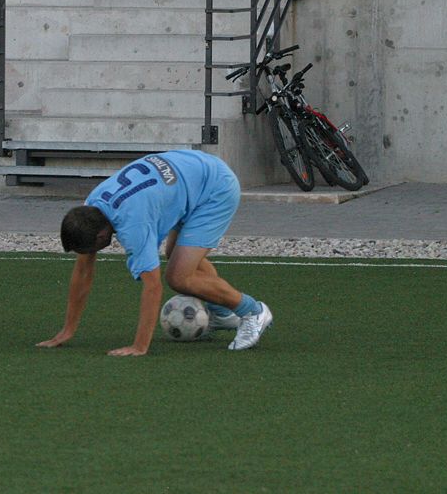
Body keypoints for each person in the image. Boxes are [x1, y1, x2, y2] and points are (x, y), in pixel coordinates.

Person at [38, 149, 272, 357]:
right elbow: (83, 272)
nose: (89, 255)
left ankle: (253, 311)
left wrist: (140, 346)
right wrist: (67, 330)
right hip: (191, 173)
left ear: (100, 237)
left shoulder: (133, 225)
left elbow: (153, 286)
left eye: (90, 250)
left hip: (214, 189)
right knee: (177, 257)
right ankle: (221, 314)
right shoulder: (92, 206)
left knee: (178, 276)